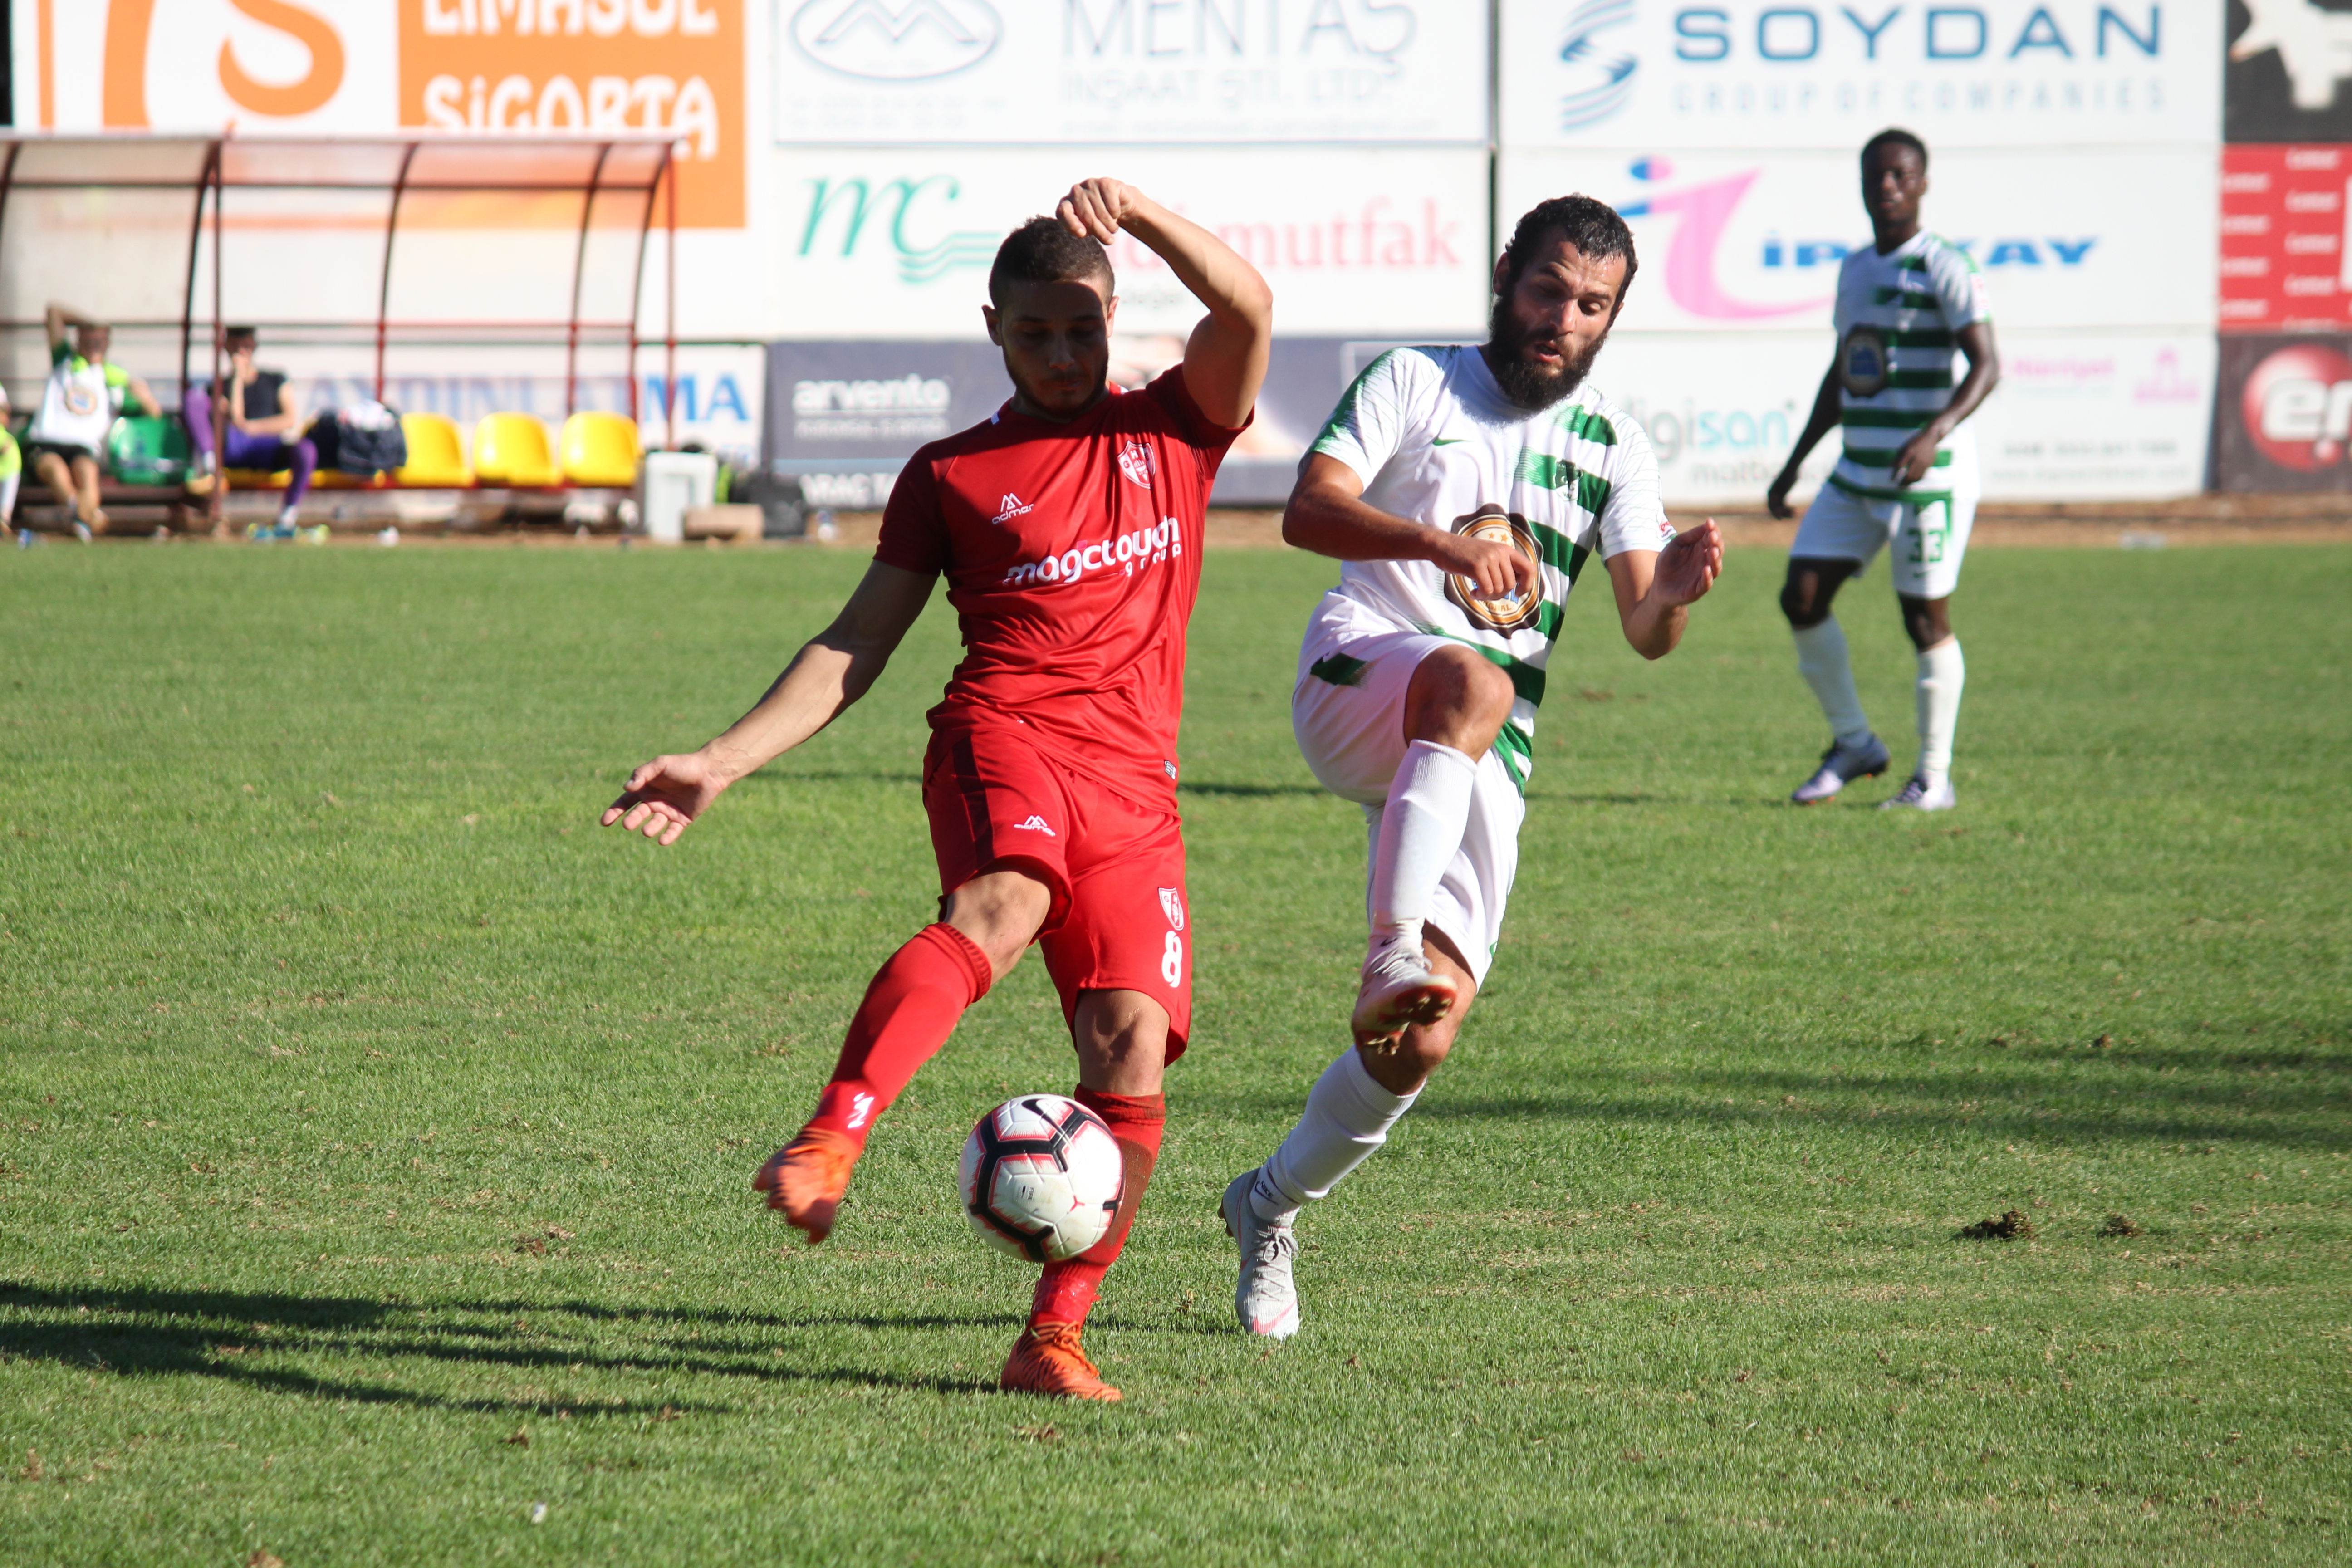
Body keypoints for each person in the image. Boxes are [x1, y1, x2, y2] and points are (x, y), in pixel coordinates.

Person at [601, 178, 1271, 1401]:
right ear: (993, 330)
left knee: (1129, 1052)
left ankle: (1053, 1338)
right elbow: (856, 643)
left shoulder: (1178, 428)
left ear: (1115, 316)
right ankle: (834, 1133)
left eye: (1083, 328)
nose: (1062, 353)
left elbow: (1248, 303)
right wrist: (721, 759)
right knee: (1005, 903)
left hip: (1138, 788)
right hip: (1005, 735)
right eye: (1035, 333)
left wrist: (1147, 214)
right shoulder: (954, 473)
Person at [1218, 196, 1722, 1340]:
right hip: (1363, 666)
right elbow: (1308, 511)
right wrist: (1446, 545)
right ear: (1506, 276)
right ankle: (1385, 941)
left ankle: (1268, 1205)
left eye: (1590, 305)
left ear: (1614, 317)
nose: (1561, 319)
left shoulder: (1614, 446)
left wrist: (1678, 592)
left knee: (1418, 1039)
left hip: (1484, 740)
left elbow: (1644, 627)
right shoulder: (1416, 380)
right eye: (1546, 289)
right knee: (1473, 676)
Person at [1764, 128, 2000, 812]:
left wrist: (1935, 432)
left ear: (1923, 183)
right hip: (1858, 472)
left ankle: (1934, 776)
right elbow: (1846, 370)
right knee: (1801, 597)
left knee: (1924, 621)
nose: (1888, 187)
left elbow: (1988, 366)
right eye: (1877, 176)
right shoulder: (1857, 267)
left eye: (1901, 175)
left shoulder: (1944, 265)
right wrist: (1795, 463)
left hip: (1926, 480)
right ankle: (1856, 743)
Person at [24, 303, 160, 541]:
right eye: (88, 339)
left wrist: (144, 395)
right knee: (56, 471)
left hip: (83, 446)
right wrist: (90, 321)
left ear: (107, 344)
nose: (93, 345)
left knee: (87, 474)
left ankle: (80, 522)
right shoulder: (65, 362)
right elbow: (53, 311)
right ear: (79, 341)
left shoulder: (114, 379)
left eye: (99, 340)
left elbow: (154, 412)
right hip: (47, 441)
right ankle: (89, 519)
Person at [184, 326, 318, 536]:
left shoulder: (274, 379)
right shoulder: (219, 386)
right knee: (194, 398)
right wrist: (237, 378)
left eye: (245, 345)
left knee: (306, 450)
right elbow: (238, 419)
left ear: (254, 346)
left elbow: (290, 419)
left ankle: (288, 516)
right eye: (235, 346)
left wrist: (254, 428)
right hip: (233, 446)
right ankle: (211, 468)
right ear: (226, 347)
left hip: (268, 446)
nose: (241, 351)